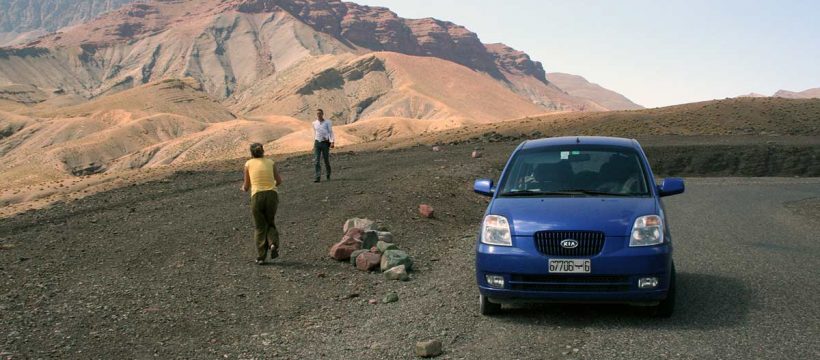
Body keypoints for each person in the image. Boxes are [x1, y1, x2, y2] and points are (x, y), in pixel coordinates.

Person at [241, 143, 283, 265]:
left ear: (251, 153)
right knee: (270, 222)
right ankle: (273, 243)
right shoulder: (271, 162)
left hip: (257, 196)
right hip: (272, 195)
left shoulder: (248, 164)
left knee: (260, 226)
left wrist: (243, 188)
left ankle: (261, 257)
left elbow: (246, 186)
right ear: (263, 151)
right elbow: (279, 181)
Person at [312, 109, 335, 182]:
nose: (318, 115)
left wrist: (332, 142)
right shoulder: (314, 123)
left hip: (325, 143)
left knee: (326, 160)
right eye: (317, 114)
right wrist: (314, 143)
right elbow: (315, 133)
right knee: (316, 161)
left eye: (320, 113)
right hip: (317, 143)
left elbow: (331, 132)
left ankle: (328, 174)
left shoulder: (327, 122)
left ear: (322, 114)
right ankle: (317, 177)